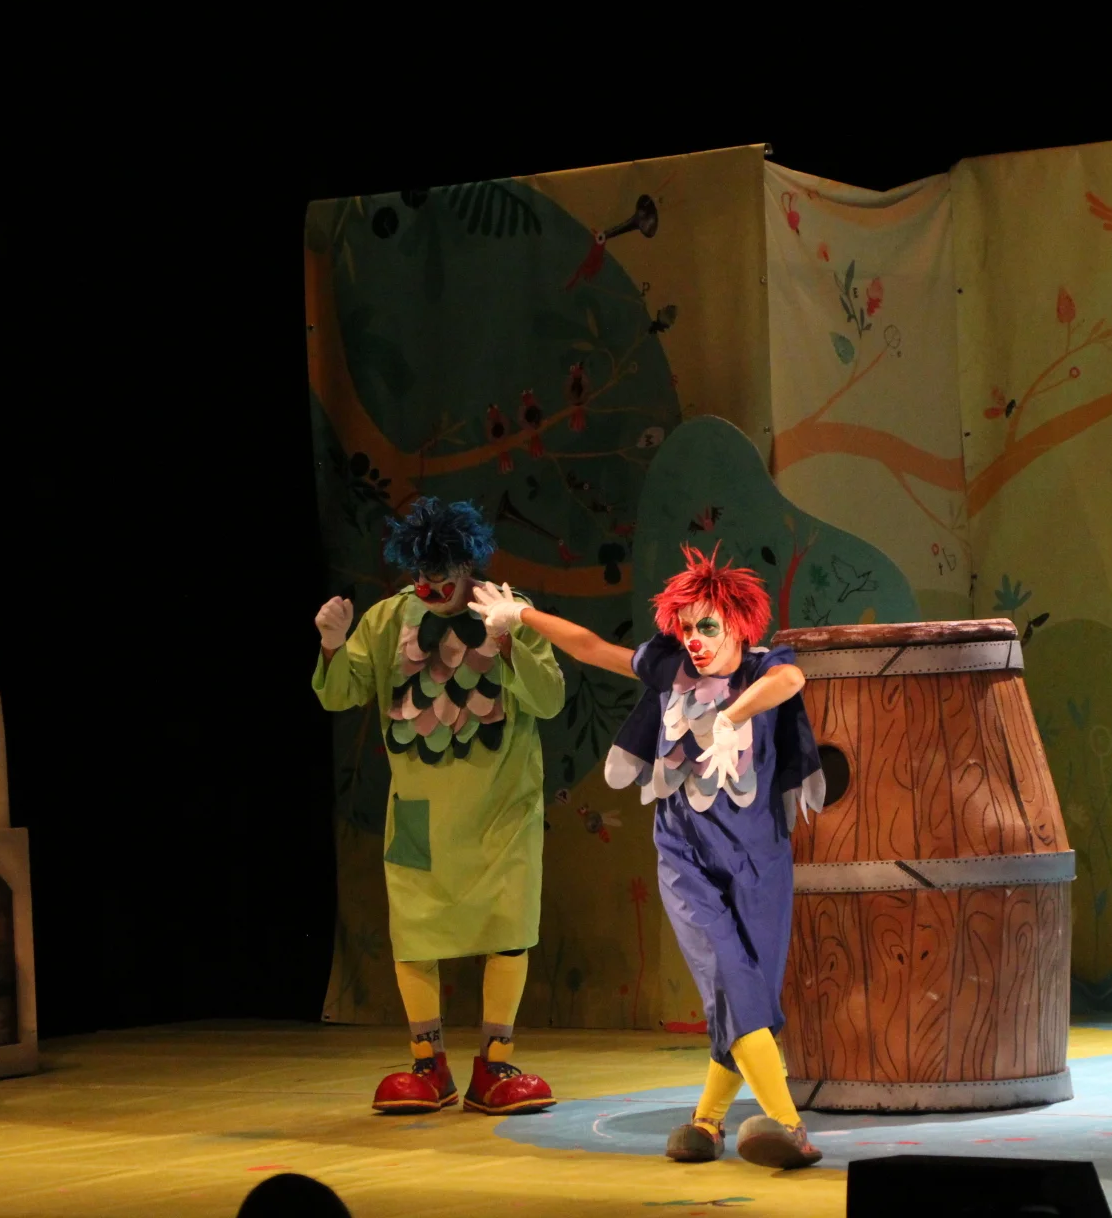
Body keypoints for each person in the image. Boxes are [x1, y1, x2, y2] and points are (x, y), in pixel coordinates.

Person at [472, 543, 826, 1170]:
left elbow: (789, 682)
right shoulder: (669, 669)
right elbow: (591, 647)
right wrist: (521, 616)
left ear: (738, 623)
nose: (694, 640)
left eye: (707, 627)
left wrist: (732, 716)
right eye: (686, 628)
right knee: (727, 974)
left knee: (751, 992)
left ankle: (707, 1122)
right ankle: (789, 1126)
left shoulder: (767, 667)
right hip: (685, 852)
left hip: (761, 859)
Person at [312, 498, 565, 1115]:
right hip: (419, 814)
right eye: (421, 575)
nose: (429, 587)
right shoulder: (386, 619)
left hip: (502, 811)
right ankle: (428, 1066)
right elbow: (340, 694)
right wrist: (332, 646)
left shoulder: (510, 610)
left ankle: (495, 1064)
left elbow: (549, 699)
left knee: (508, 928)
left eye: (441, 576)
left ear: (467, 566)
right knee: (415, 932)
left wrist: (508, 639)